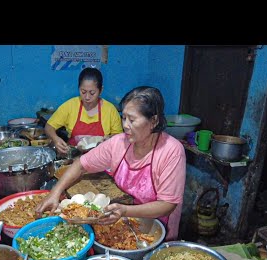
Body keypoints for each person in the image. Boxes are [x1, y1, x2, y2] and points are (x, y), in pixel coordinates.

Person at [37, 86, 186, 241]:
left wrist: (125, 211)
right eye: (124, 118)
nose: (126, 125)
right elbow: (80, 164)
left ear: (153, 121)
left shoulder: (171, 151)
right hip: (122, 219)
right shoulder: (119, 142)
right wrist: (55, 192)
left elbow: (167, 205)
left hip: (157, 228)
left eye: (132, 120)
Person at [44, 67, 123, 155]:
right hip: (74, 157)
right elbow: (49, 127)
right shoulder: (70, 105)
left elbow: (119, 137)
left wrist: (110, 139)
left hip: (101, 158)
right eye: (83, 92)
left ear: (101, 90)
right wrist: (55, 139)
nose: (87, 97)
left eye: (92, 93)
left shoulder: (110, 110)